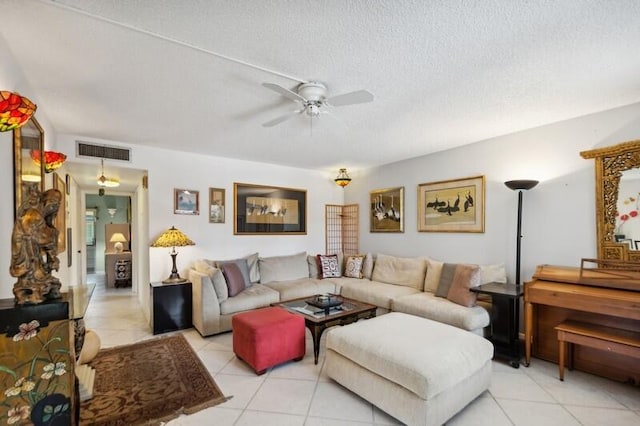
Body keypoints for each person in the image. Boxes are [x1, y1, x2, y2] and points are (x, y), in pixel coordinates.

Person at [10, 188, 62, 304]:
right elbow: (42, 238)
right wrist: (52, 256)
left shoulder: (39, 216)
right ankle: (30, 289)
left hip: (34, 256)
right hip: (27, 258)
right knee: (34, 277)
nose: (55, 207)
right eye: (54, 203)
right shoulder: (33, 215)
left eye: (58, 204)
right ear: (46, 201)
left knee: (44, 277)